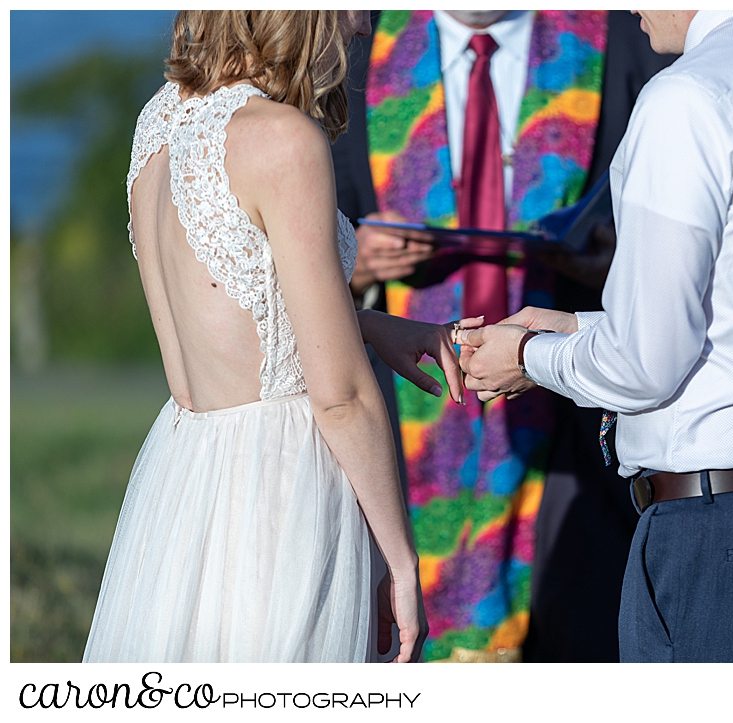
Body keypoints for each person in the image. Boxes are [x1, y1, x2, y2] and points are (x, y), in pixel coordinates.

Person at [458, 10, 733, 662]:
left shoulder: (688, 96)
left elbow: (643, 364)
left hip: (729, 529)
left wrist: (526, 356)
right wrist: (573, 327)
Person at [83, 10, 467, 663]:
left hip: (186, 481)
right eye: (352, 10)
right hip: (281, 493)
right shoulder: (282, 141)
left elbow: (231, 319)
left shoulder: (158, 121)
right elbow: (340, 396)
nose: (361, 27)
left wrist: (371, 326)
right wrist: (400, 560)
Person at [331, 10, 675, 662]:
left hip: (574, 438)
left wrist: (618, 266)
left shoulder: (623, 35)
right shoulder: (359, 41)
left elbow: (678, 228)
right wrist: (351, 256)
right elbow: (293, 229)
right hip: (405, 425)